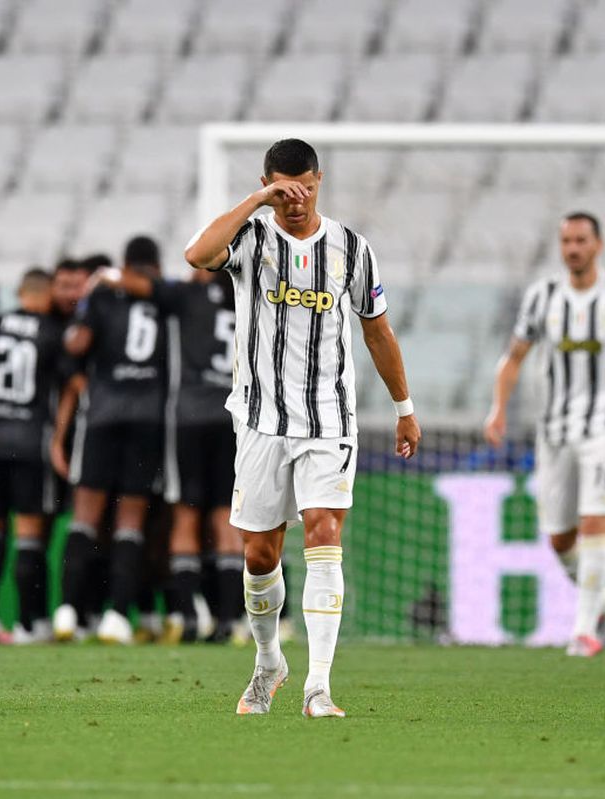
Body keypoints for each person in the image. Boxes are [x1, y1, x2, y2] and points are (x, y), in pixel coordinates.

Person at [185, 138, 420, 718]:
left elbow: (377, 331)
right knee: (260, 554)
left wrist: (404, 407)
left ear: (319, 181)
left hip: (329, 418)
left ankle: (318, 686)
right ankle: (269, 662)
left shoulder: (351, 248)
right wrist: (257, 201)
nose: (297, 202)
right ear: (268, 184)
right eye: (285, 191)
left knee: (323, 533)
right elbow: (197, 254)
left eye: (306, 189)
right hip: (260, 419)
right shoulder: (251, 238)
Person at [483, 212, 605, 657]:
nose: (573, 248)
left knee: (595, 521)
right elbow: (514, 356)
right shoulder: (543, 297)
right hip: (555, 429)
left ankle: (585, 630)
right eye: (567, 241)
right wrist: (498, 409)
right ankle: (603, 599)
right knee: (559, 538)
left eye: (581, 240)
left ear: (598, 245)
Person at [91, 266, 252, 644]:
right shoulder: (244, 299)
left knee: (185, 515)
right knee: (226, 517)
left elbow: (140, 283)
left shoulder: (186, 295)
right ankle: (230, 620)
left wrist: (107, 274)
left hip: (187, 419)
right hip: (233, 418)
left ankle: (188, 616)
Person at [53, 236, 170, 644]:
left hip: (102, 415)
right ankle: (118, 616)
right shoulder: (165, 299)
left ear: (125, 264)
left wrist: (86, 303)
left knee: (85, 516)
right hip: (149, 418)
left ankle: (67, 611)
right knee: (131, 522)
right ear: (155, 266)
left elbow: (77, 344)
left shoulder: (103, 297)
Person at [0, 269, 65, 643]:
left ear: (20, 292)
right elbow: (68, 383)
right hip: (29, 441)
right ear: (48, 294)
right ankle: (25, 624)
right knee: (29, 538)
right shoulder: (53, 332)